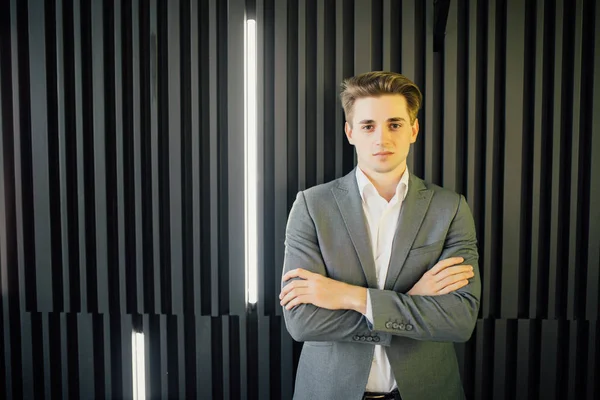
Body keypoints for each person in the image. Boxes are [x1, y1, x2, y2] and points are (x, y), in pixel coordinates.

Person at [279, 71, 481, 400]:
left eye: (395, 124)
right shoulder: (311, 206)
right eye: (368, 126)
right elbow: (302, 322)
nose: (381, 139)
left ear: (413, 130)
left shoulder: (450, 208)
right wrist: (414, 301)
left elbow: (459, 320)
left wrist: (348, 297)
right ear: (350, 132)